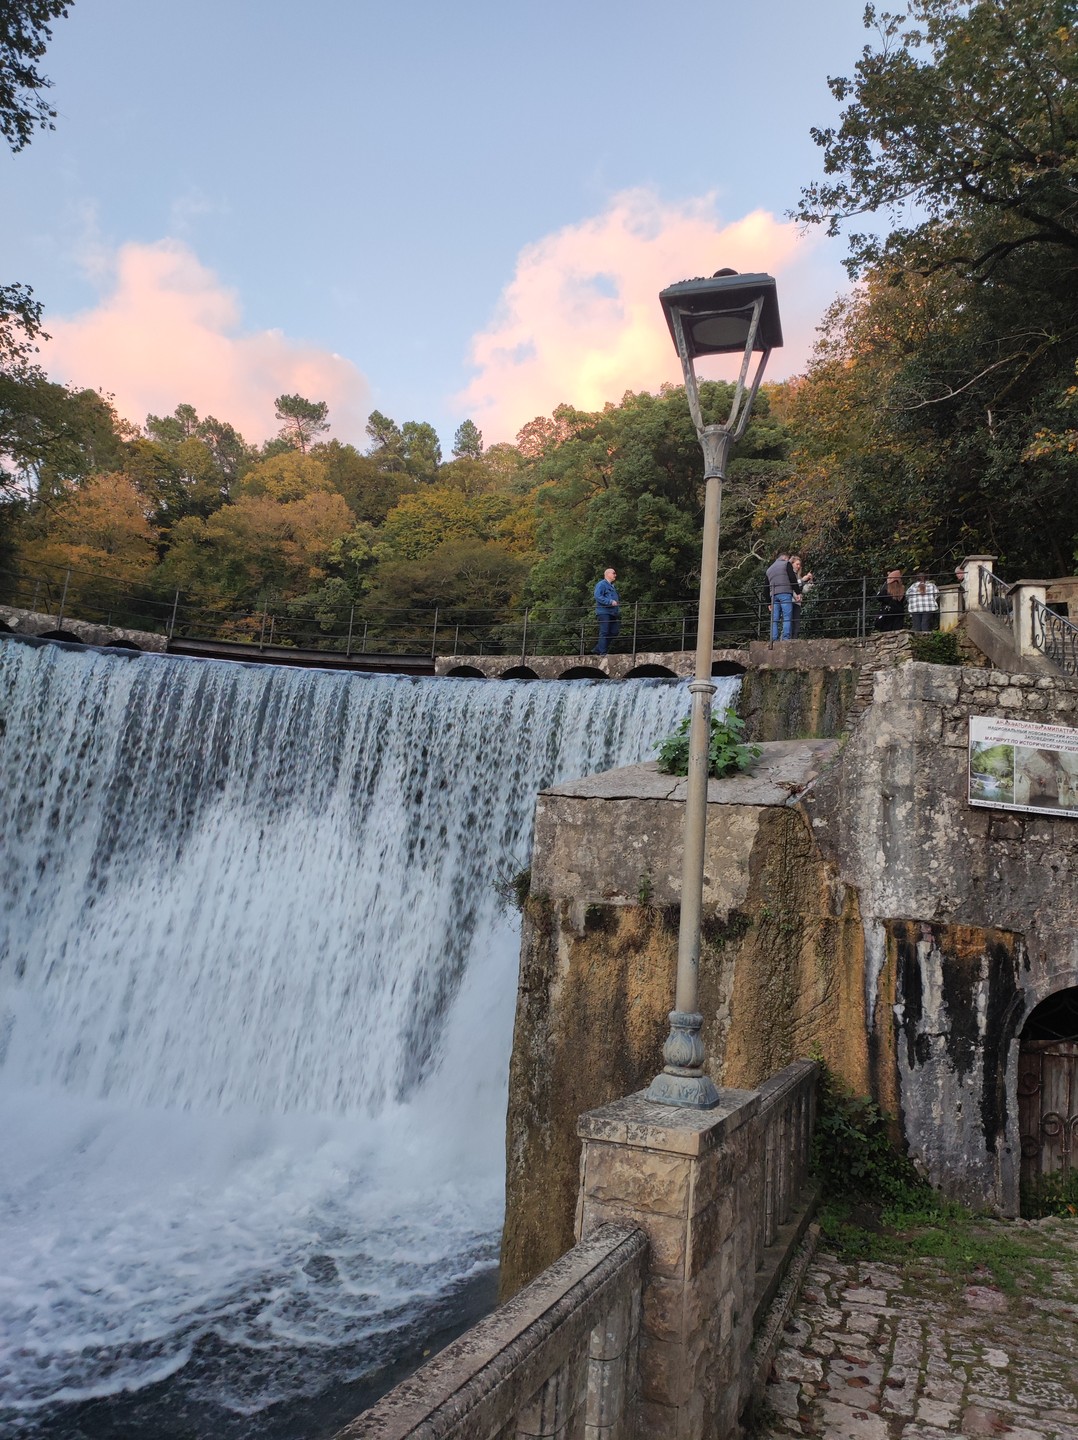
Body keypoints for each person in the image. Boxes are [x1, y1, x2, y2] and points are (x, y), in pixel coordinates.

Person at [765, 550, 797, 641]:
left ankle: (774, 639)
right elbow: (792, 578)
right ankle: (786, 638)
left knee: (774, 619)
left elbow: (766, 587)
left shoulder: (769, 569)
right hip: (785, 592)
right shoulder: (786, 564)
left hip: (773, 596)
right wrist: (797, 592)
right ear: (785, 557)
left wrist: (768, 602)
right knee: (787, 617)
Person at [592, 567, 620, 654]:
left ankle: (598, 648)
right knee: (605, 632)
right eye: (613, 573)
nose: (615, 575)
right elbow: (597, 596)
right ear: (607, 574)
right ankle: (602, 652)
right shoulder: (601, 584)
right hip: (604, 612)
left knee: (614, 631)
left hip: (612, 612)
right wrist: (610, 602)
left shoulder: (612, 586)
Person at [789, 555, 814, 639]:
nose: (799, 566)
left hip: (797, 602)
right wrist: (802, 580)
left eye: (799, 565)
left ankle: (794, 640)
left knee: (796, 623)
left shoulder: (798, 576)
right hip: (789, 600)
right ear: (791, 564)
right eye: (797, 564)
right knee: (789, 622)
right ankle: (786, 640)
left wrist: (809, 582)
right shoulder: (788, 573)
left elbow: (803, 590)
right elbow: (791, 585)